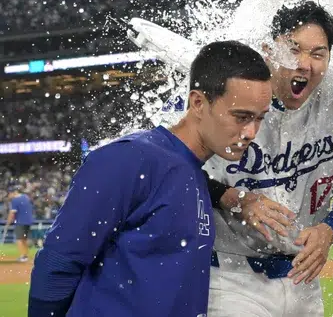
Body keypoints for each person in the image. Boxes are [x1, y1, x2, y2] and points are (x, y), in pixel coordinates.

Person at [28, 41, 273, 317]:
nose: (251, 131)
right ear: (198, 103)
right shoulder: (130, 158)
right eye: (241, 117)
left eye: (259, 118)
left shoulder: (192, 174)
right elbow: (58, 264)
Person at [205, 1, 333, 317]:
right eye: (294, 49)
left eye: (318, 54)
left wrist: (330, 229)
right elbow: (175, 168)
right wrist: (233, 198)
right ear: (269, 50)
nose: (305, 64)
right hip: (231, 277)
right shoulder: (228, 94)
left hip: (303, 278)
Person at [3, 185, 34, 262]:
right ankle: (26, 256)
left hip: (21, 221)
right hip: (29, 221)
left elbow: (12, 214)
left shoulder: (15, 200)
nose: (9, 196)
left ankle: (23, 256)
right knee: (24, 239)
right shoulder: (25, 197)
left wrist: (7, 224)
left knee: (19, 239)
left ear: (13, 193)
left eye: (9, 194)